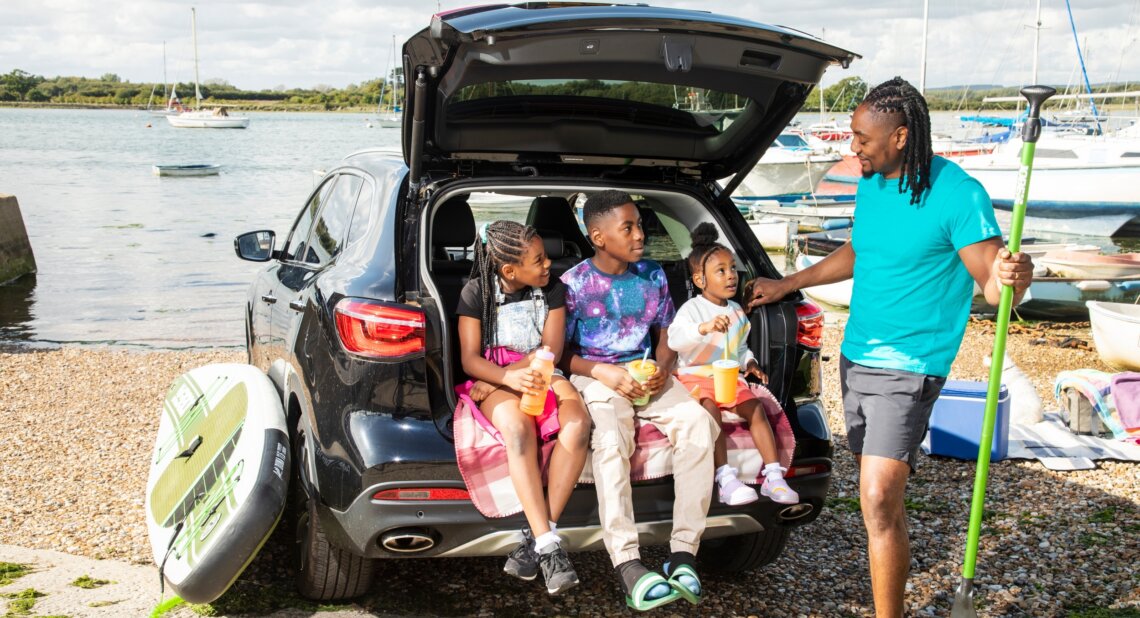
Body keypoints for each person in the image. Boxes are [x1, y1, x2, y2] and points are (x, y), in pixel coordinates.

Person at [746, 77, 1034, 617]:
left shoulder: (957, 194)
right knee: (880, 497)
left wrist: (1017, 276)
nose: (851, 147)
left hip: (912, 364)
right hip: (857, 356)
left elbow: (995, 289)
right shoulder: (873, 184)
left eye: (861, 137)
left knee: (877, 496)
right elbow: (859, 252)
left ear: (900, 136)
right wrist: (789, 283)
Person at [562, 190, 719, 611]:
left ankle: (684, 554)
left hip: (648, 374)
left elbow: (665, 333)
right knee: (612, 441)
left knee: (699, 425)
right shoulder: (574, 283)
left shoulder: (652, 275)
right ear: (598, 236)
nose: (640, 235)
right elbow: (559, 353)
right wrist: (604, 373)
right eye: (627, 227)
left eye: (640, 225)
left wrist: (663, 369)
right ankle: (628, 563)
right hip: (595, 377)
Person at [456, 220, 590, 596]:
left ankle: (535, 537)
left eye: (546, 257)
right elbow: (469, 359)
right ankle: (550, 547)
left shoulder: (552, 291)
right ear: (510, 270)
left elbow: (551, 349)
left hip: (536, 370)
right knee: (517, 431)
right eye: (539, 260)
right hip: (495, 376)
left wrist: (508, 373)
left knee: (578, 424)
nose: (548, 266)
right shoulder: (476, 292)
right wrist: (503, 378)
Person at [667, 223, 798, 507]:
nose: (731, 276)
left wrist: (749, 362)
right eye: (721, 271)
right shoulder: (692, 309)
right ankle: (725, 476)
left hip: (727, 378)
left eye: (732, 269)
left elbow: (739, 347)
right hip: (695, 377)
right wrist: (703, 328)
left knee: (756, 409)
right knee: (709, 410)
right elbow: (675, 339)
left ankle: (774, 476)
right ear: (701, 280)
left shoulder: (737, 311)